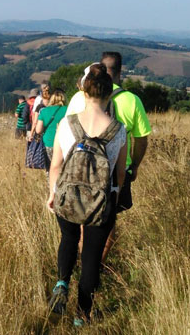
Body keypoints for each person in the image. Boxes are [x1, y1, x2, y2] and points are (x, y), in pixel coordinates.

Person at [46, 63, 127, 326]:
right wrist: (114, 196)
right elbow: (120, 174)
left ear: (84, 90)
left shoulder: (67, 124)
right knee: (91, 256)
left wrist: (53, 193)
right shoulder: (118, 130)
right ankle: (82, 316)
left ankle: (61, 284)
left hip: (67, 197)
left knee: (68, 239)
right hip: (102, 203)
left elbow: (56, 166)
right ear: (109, 94)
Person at [66, 52, 151, 260]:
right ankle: (98, 266)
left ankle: (83, 262)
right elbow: (141, 139)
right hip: (116, 171)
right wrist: (135, 165)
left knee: (83, 217)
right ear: (120, 72)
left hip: (82, 167)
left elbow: (67, 131)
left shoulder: (80, 97)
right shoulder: (132, 100)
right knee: (109, 220)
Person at [33, 89, 67, 169]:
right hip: (64, 144)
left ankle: (51, 181)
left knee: (50, 169)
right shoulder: (68, 110)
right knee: (63, 169)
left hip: (48, 143)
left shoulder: (44, 111)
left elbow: (38, 130)